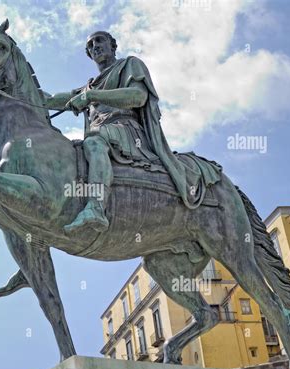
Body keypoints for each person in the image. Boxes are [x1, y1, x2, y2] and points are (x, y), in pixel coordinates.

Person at [45, 31, 221, 234]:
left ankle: (96, 207)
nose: (95, 46)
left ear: (113, 46)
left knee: (93, 142)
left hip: (127, 130)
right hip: (102, 132)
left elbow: (138, 97)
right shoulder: (89, 86)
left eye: (100, 41)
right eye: (91, 45)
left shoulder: (129, 64)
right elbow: (54, 100)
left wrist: (91, 96)